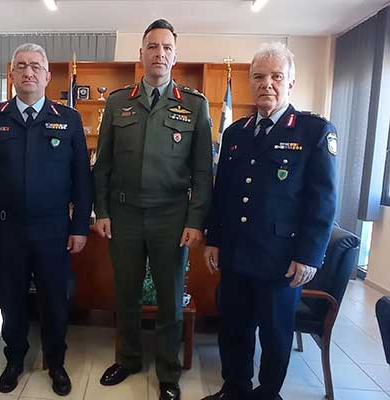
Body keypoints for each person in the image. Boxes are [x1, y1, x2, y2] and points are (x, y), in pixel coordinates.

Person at [202, 42, 337, 400]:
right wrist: (214, 238)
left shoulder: (313, 131)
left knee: (275, 334)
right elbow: (223, 192)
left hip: (281, 259)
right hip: (235, 254)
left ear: (291, 83)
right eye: (259, 76)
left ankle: (267, 394)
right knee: (233, 329)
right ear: (249, 81)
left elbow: (323, 202)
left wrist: (309, 256)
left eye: (277, 77)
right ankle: (235, 389)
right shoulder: (236, 133)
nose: (267, 84)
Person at [93, 19, 213, 400]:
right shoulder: (117, 102)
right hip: (124, 215)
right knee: (125, 294)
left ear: (175, 56)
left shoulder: (195, 104)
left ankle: (167, 373)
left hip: (171, 218)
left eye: (166, 47)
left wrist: (195, 220)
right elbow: (103, 165)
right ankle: (128, 359)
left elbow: (203, 172)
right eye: (152, 46)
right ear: (141, 53)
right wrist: (102, 212)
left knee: (170, 299)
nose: (159, 53)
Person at [0, 43, 93, 396]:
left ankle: (56, 362)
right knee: (12, 299)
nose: (28, 72)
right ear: (11, 74)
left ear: (48, 75)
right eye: (21, 66)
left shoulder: (68, 119)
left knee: (54, 299)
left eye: (36, 66)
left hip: (53, 228)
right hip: (7, 227)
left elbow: (82, 179)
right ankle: (14, 360)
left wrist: (79, 227)